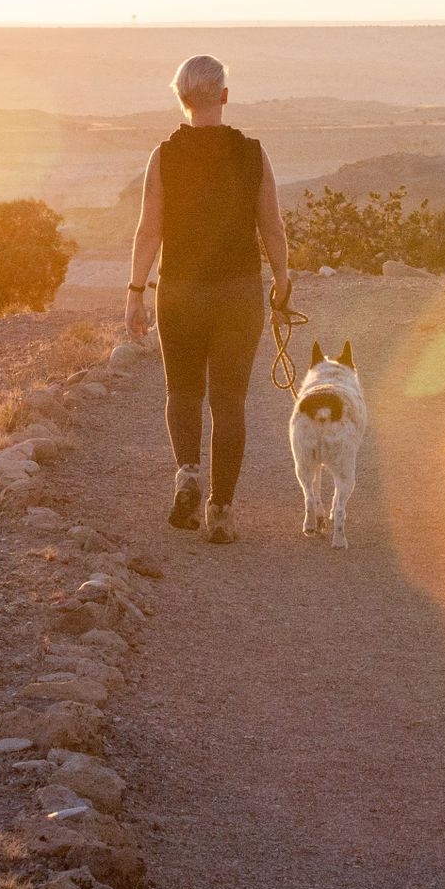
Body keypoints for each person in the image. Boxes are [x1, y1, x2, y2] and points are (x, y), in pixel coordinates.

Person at [124, 54, 291, 544]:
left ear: (182, 98)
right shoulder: (253, 153)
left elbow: (148, 229)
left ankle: (188, 474)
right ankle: (220, 510)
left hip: (178, 291)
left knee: (182, 391)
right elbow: (272, 225)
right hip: (239, 292)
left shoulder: (164, 155)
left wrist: (135, 291)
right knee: (230, 402)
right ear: (223, 95)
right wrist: (282, 278)